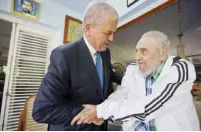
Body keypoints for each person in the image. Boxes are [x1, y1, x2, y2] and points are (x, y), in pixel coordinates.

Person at [71, 31, 200, 131]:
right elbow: (121, 94)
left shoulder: (181, 67)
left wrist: (100, 111)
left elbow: (153, 105)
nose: (137, 57)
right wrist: (103, 113)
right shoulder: (133, 68)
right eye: (137, 51)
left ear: (163, 53)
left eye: (143, 51)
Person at [32, 1, 122, 131]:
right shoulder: (64, 55)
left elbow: (108, 73)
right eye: (108, 33)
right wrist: (92, 112)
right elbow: (42, 111)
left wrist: (132, 76)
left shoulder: (105, 52)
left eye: (114, 32)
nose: (112, 38)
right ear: (88, 29)